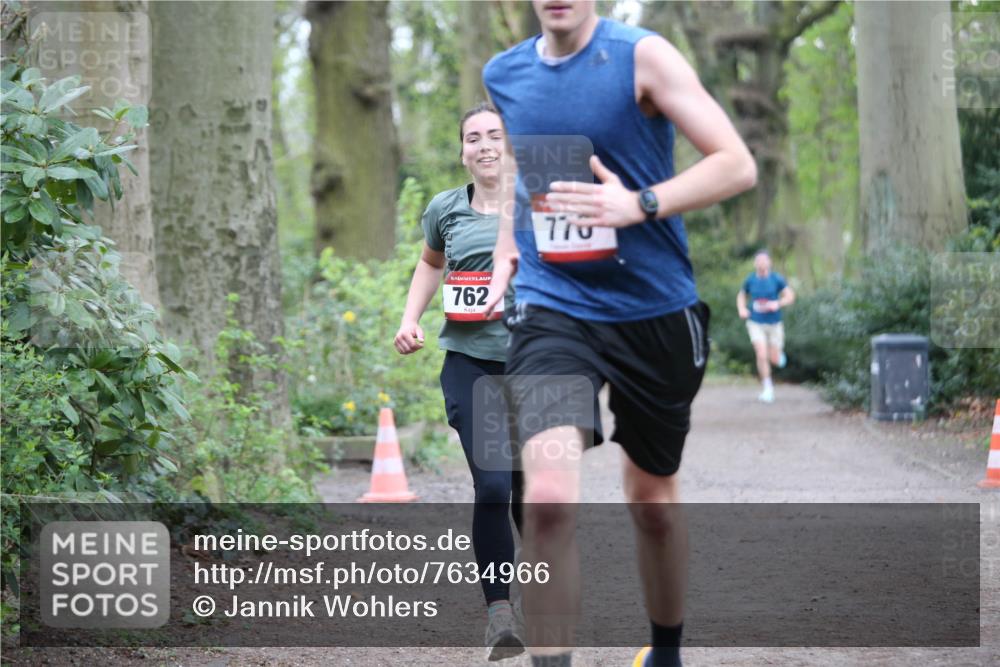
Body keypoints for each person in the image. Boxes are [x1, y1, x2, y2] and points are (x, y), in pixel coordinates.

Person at [480, 2, 757, 666]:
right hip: (555, 305)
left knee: (653, 500)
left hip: (653, 309)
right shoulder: (505, 73)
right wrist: (505, 246)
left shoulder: (644, 57)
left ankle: (665, 651)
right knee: (546, 497)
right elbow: (520, 160)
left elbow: (736, 164)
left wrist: (639, 203)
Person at [393, 103, 525, 661]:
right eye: (474, 138)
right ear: (463, 150)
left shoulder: (536, 205)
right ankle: (500, 614)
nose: (485, 145)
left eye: (495, 135)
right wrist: (409, 318)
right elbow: (430, 264)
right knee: (494, 487)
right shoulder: (445, 208)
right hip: (470, 364)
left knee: (534, 495)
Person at [737, 250, 795, 403]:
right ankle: (767, 388)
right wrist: (742, 309)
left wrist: (778, 303)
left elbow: (790, 296)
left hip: (774, 323)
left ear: (769, 263)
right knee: (761, 354)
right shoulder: (750, 280)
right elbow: (741, 295)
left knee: (774, 359)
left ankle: (778, 356)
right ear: (755, 264)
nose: (761, 263)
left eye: (764, 260)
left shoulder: (776, 279)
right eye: (759, 261)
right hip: (755, 322)